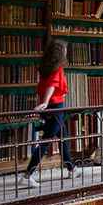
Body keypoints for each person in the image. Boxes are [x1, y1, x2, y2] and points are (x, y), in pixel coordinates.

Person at [23, 39, 76, 188]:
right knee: (46, 141)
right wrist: (45, 102)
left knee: (63, 137)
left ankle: (71, 168)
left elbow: (44, 86)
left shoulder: (45, 68)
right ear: (60, 53)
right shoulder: (57, 69)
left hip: (50, 107)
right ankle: (28, 174)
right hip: (55, 106)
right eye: (65, 50)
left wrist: (44, 103)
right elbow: (52, 86)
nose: (66, 53)